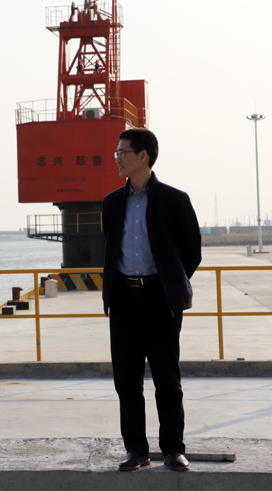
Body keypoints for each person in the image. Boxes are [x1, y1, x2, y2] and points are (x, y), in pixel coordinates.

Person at [102, 127, 201, 473]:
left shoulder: (175, 200)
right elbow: (110, 245)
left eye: (122, 152)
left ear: (142, 156)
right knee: (126, 380)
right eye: (116, 153)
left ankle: (173, 449)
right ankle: (136, 450)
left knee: (166, 379)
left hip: (160, 299)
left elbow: (191, 252)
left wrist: (169, 282)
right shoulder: (112, 203)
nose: (117, 158)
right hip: (123, 300)